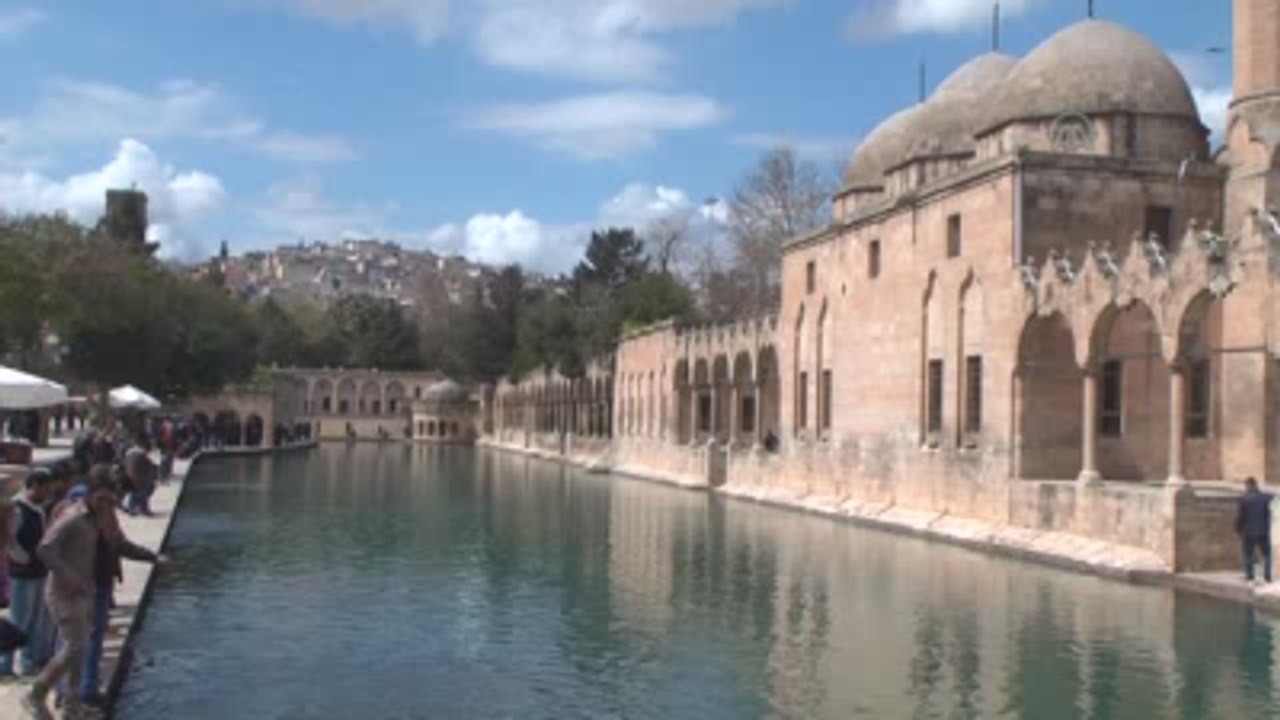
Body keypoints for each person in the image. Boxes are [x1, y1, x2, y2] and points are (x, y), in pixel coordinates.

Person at [22, 472, 116, 719]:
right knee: (74, 648)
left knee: (80, 651)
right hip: (63, 594)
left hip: (84, 592)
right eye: (102, 499)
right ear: (91, 494)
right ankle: (36, 693)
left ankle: (72, 708)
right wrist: (69, 575)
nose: (106, 504)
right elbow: (44, 549)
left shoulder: (94, 519)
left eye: (110, 500)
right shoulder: (72, 518)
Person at [78, 465, 166, 708]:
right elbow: (50, 550)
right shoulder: (77, 516)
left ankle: (86, 688)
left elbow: (119, 544)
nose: (113, 499)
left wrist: (152, 557)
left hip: (100, 581)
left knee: (92, 635)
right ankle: (81, 691)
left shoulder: (104, 513)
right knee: (82, 638)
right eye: (108, 495)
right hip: (84, 584)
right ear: (96, 492)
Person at [0, 468, 55, 678]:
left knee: (34, 619)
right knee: (19, 620)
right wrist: (24, 559)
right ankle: (5, 666)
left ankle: (27, 663)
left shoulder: (36, 509)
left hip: (37, 571)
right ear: (35, 486)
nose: (48, 493)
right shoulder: (17, 509)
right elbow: (9, 540)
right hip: (21, 574)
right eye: (45, 488)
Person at [1238, 477, 1273, 584]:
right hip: (1264, 531)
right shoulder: (1266, 498)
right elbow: (1269, 514)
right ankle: (1267, 576)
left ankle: (1250, 576)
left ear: (1249, 485)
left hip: (1249, 532)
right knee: (1267, 554)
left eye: (1246, 486)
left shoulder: (1244, 499)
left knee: (1248, 554)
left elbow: (1241, 517)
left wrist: (1238, 528)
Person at [124, 437, 157, 516]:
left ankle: (132, 508)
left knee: (134, 493)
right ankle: (144, 510)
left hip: (129, 475)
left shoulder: (128, 453)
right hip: (139, 478)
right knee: (143, 493)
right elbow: (148, 465)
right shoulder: (141, 455)